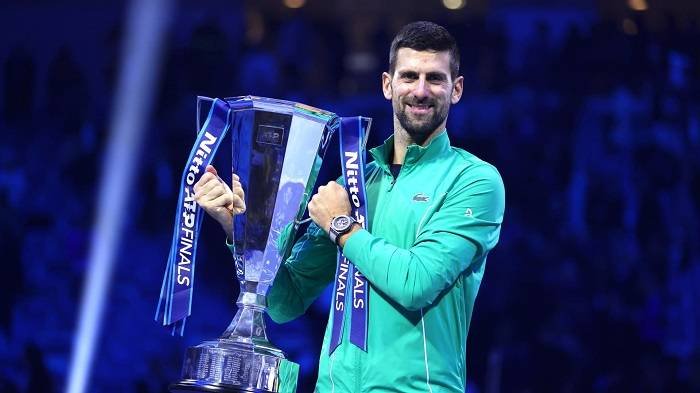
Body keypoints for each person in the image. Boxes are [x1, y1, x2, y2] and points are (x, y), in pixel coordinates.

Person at [194, 21, 505, 393]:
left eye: (434, 79)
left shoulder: (474, 182)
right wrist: (241, 229)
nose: (420, 90)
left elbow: (416, 283)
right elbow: (285, 302)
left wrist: (342, 226)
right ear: (387, 85)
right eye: (409, 76)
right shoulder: (353, 184)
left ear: (456, 90)